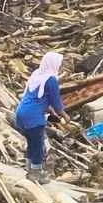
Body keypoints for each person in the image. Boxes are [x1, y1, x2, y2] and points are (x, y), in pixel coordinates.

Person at [15, 51, 69, 183]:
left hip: (21, 113)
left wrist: (51, 112)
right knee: (38, 145)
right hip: (34, 117)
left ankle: (29, 169)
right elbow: (56, 102)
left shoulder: (37, 74)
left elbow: (39, 98)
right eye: (59, 64)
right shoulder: (51, 80)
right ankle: (36, 173)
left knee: (31, 143)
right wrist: (65, 116)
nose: (60, 66)